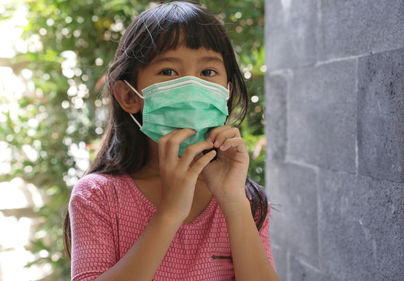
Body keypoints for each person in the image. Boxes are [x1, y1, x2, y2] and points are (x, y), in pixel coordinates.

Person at [63, 1, 280, 280]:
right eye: (168, 72)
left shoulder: (244, 198)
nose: (191, 86)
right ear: (129, 96)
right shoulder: (98, 196)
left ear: (225, 92)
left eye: (208, 73)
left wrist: (233, 201)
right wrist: (169, 212)